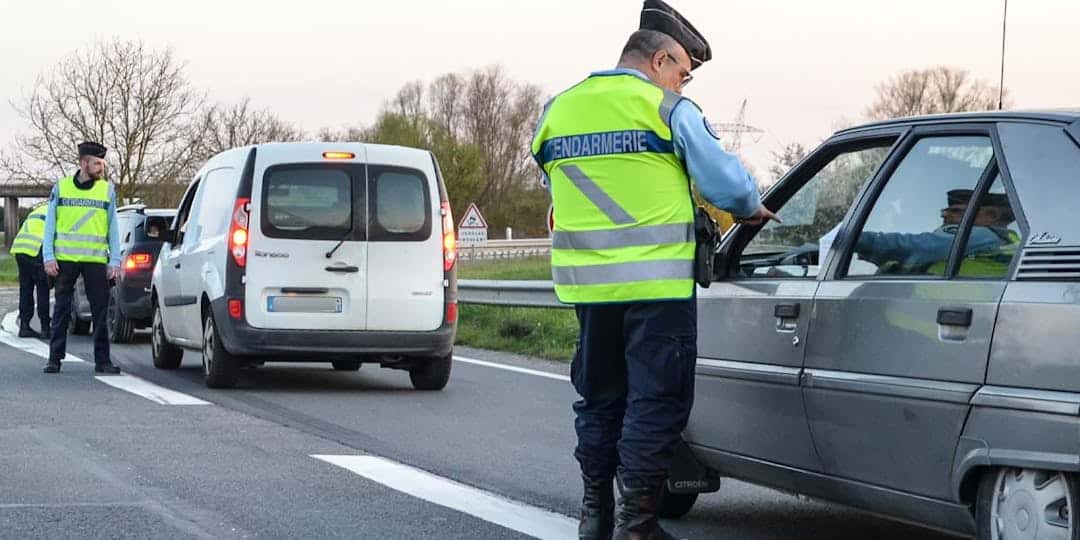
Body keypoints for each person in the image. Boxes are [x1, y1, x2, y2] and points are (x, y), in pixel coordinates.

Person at [531, 2, 778, 538]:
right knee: (655, 403)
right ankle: (635, 525)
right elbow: (727, 186)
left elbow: (555, 183)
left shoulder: (558, 110)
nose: (683, 86)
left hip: (590, 292)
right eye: (683, 75)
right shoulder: (668, 111)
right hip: (658, 288)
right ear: (660, 59)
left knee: (599, 401)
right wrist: (749, 206)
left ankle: (594, 516)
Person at [41, 141, 122, 375]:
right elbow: (50, 225)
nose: (101, 167)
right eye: (97, 163)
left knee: (100, 310)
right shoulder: (62, 187)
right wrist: (48, 256)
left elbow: (113, 227)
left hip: (96, 260)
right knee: (62, 310)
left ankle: (103, 361)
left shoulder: (106, 189)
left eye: (103, 163)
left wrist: (114, 260)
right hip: (65, 259)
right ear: (83, 163)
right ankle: (54, 359)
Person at [853, 189, 1018, 276]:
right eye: (945, 211)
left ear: (992, 215)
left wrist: (858, 239)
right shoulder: (1007, 240)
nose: (945, 215)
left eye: (957, 211)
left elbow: (917, 246)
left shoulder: (979, 235)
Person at [9, 203, 51, 338]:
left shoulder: (41, 209)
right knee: (43, 287)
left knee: (26, 288)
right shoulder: (57, 211)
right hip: (35, 249)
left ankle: (24, 326)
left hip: (20, 248)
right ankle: (45, 328)